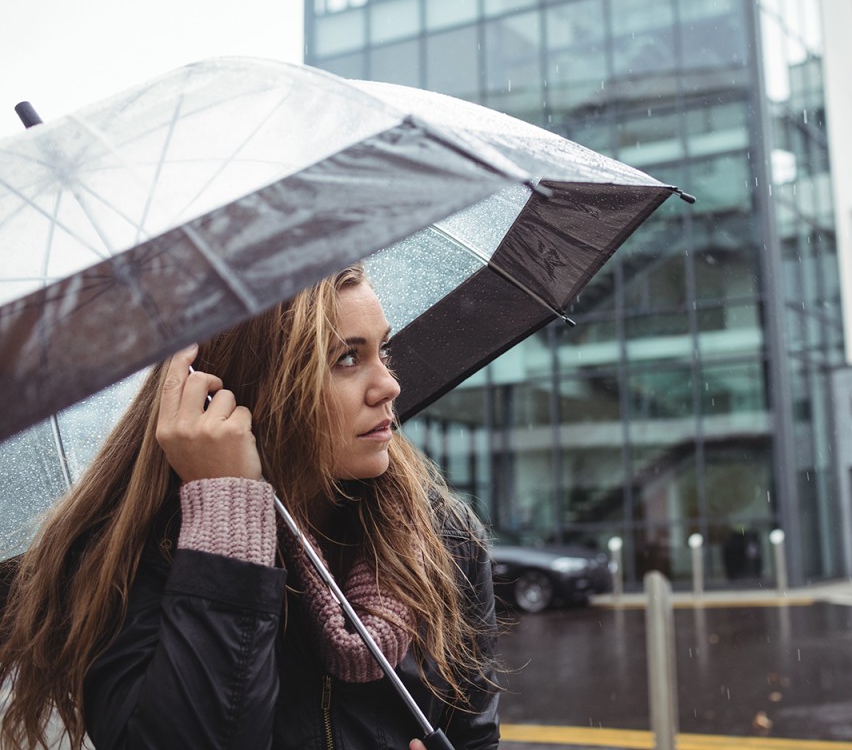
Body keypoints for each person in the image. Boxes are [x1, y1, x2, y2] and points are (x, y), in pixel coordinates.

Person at [0, 265, 500, 750]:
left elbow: (475, 737)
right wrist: (225, 511)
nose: (389, 385)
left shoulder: (446, 540)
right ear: (249, 390)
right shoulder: (129, 560)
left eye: (382, 351)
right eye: (347, 358)